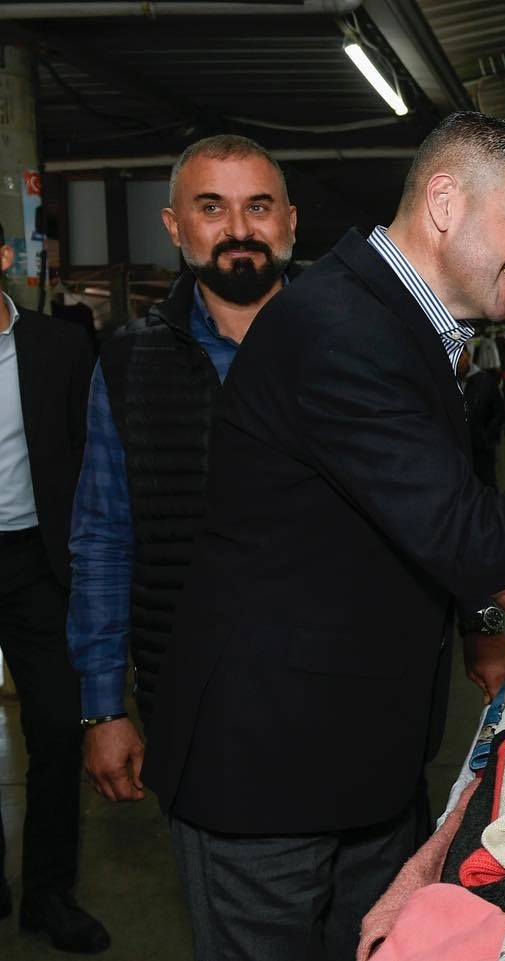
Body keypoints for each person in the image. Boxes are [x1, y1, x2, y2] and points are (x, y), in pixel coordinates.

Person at [140, 110, 505, 961]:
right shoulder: (342, 326)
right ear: (447, 201)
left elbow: (399, 511)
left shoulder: (394, 323)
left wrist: (472, 577)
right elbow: (463, 530)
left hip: (360, 760)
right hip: (268, 770)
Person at [65, 135, 299, 807]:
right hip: (196, 705)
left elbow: (428, 505)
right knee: (230, 907)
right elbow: (104, 539)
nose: (237, 230)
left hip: (347, 696)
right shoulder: (129, 365)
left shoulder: (354, 345)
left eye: (258, 207)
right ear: (175, 226)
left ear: (289, 221)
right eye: (210, 208)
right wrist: (101, 707)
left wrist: (477, 622)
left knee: (375, 911)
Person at [0, 227, 109, 953]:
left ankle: (48, 891)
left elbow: (93, 467)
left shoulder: (58, 349)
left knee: (56, 732)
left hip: (37, 565)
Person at [459, 342, 505, 490]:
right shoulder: (447, 381)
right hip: (458, 449)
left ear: (469, 356)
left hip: (482, 448)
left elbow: (500, 411)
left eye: (461, 356)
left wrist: (487, 436)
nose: (458, 361)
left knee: (486, 486)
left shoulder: (485, 381)